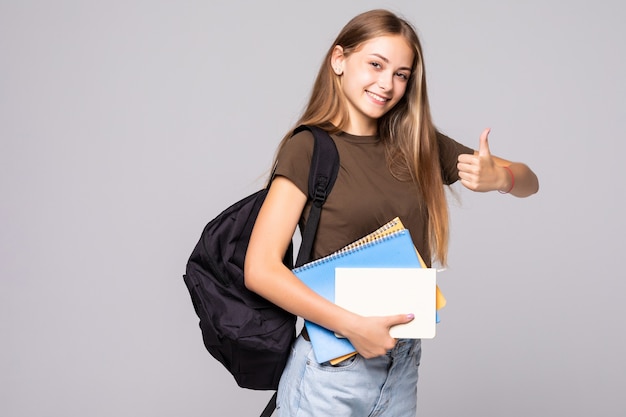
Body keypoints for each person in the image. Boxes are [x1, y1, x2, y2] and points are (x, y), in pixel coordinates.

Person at [244, 9, 539, 416]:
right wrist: (351, 326)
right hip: (334, 370)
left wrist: (500, 178)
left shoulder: (418, 144)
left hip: (401, 366)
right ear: (339, 60)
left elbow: (530, 181)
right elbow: (259, 268)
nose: (387, 84)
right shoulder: (309, 148)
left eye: (402, 74)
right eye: (376, 65)